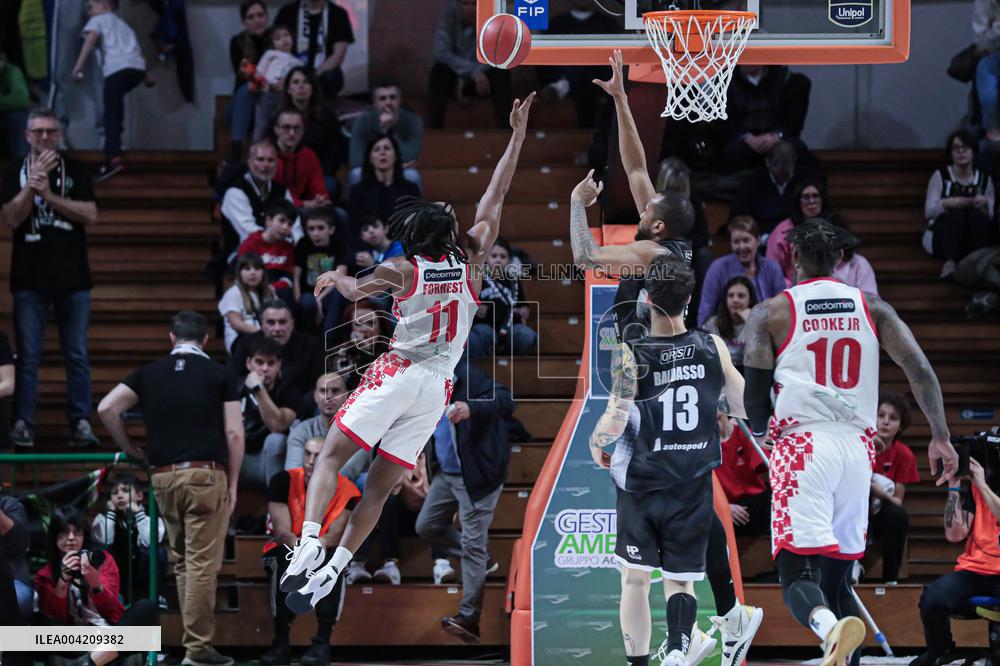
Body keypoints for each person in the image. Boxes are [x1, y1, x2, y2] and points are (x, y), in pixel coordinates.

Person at [280, 93, 534, 613]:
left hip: (399, 371)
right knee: (378, 489)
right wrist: (516, 137)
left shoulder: (404, 270)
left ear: (411, 239)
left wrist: (337, 276)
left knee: (329, 455)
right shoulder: (474, 261)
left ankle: (308, 545)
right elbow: (498, 193)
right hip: (437, 388)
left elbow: (354, 293)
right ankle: (333, 571)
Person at [586, 57, 762, 666]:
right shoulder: (674, 238)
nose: (642, 197)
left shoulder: (651, 249)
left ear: (656, 221)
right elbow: (635, 165)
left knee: (654, 479)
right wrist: (621, 102)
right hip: (686, 350)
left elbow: (587, 252)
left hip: (646, 351)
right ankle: (732, 614)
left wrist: (580, 208)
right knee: (689, 498)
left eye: (648, 203)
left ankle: (702, 629)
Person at [741, 219, 957, 665]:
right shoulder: (873, 306)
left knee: (797, 575)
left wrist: (762, 424)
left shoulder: (771, 312)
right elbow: (919, 369)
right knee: (839, 584)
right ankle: (841, 638)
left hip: (804, 448)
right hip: (859, 452)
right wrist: (940, 436)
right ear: (841, 259)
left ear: (794, 257)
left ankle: (824, 625)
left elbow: (755, 401)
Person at [588, 255, 752, 666]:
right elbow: (743, 403)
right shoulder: (712, 345)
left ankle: (642, 662)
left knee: (636, 580)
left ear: (646, 299)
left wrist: (596, 441)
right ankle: (678, 649)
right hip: (691, 480)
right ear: (690, 298)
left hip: (642, 482)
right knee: (681, 579)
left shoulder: (631, 353)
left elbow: (616, 417)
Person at [97, 310, 244, 666]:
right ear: (206, 341)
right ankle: (197, 650)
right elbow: (235, 433)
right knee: (201, 565)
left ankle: (193, 646)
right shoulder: (220, 374)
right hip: (205, 475)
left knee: (182, 563)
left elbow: (106, 408)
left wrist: (131, 449)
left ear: (172, 339)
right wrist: (235, 481)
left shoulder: (149, 373)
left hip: (162, 476)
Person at [1, 108, 99, 450]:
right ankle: (24, 423)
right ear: (27, 135)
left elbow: (90, 214)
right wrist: (31, 187)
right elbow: (11, 218)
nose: (44, 137)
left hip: (73, 278)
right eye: (37, 132)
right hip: (29, 278)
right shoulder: (15, 171)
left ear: (58, 134)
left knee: (77, 353)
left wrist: (50, 196)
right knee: (27, 356)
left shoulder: (76, 169)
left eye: (50, 132)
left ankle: (81, 423)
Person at [415, 354, 516, 643]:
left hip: (478, 475)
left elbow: (508, 400)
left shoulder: (467, 376)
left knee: (473, 543)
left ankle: (470, 618)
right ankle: (480, 560)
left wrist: (470, 408)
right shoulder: (420, 386)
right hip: (446, 473)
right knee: (426, 526)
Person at [260, 435, 361, 666]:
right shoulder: (282, 480)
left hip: (323, 549)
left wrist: (317, 550)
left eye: (317, 455)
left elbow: (336, 533)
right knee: (285, 563)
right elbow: (281, 532)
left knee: (333, 564)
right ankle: (281, 641)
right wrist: (304, 551)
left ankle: (322, 642)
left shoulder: (348, 489)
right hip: (285, 549)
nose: (310, 460)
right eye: (307, 454)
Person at [35, 506, 160, 666]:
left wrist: (95, 583)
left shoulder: (103, 560)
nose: (71, 538)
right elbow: (54, 618)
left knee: (146, 607)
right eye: (64, 532)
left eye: (77, 532)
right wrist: (62, 581)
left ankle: (88, 662)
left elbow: (113, 613)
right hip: (72, 640)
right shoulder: (44, 574)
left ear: (84, 535)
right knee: (37, 623)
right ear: (54, 537)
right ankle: (109, 658)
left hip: (107, 634)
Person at [910, 445, 1000, 666]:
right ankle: (940, 650)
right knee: (932, 599)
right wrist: (953, 488)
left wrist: (980, 483)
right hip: (974, 569)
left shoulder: (981, 486)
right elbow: (954, 534)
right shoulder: (978, 489)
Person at [70, 0, 148, 181]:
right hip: (136, 70)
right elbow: (138, 52)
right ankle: (116, 141)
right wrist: (146, 78)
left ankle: (112, 158)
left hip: (116, 69)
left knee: (110, 112)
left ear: (105, 5)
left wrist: (78, 67)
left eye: (91, 7)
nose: (89, 12)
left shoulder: (99, 20)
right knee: (116, 106)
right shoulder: (124, 26)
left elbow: (90, 41)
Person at [428, 0, 514, 129]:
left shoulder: (494, 17)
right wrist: (471, 73)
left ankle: (506, 131)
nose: (470, 9)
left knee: (501, 72)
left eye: (474, 4)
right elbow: (440, 53)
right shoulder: (449, 16)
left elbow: (499, 53)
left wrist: (478, 73)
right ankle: (435, 129)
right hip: (456, 77)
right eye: (465, 4)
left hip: (483, 80)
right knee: (438, 72)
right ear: (458, 5)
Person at [923, 129, 995, 279]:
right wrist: (947, 203)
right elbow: (928, 212)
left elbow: (991, 213)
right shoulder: (940, 176)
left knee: (977, 218)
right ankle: (950, 263)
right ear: (951, 152)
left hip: (972, 236)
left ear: (973, 151)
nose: (961, 152)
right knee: (955, 216)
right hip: (943, 237)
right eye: (956, 148)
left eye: (965, 148)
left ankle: (977, 267)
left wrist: (984, 203)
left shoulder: (983, 179)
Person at [237, 333, 302, 490]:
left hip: (267, 461)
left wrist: (259, 390)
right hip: (238, 459)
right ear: (248, 363)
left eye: (271, 363)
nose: (265, 369)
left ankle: (274, 505)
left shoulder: (289, 391)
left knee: (275, 440)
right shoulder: (234, 388)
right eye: (259, 362)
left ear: (278, 365)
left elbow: (278, 426)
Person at [90, 472, 167, 603]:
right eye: (114, 493)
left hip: (141, 570)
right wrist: (111, 514)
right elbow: (105, 541)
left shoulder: (151, 517)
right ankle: (110, 595)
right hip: (119, 571)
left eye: (125, 491)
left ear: (139, 495)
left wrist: (139, 514)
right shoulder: (104, 518)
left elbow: (150, 542)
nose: (119, 495)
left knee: (157, 552)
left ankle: (157, 597)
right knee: (102, 551)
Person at [537, 0, 615, 128]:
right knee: (583, 79)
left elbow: (614, 59)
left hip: (600, 81)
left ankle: (563, 85)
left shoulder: (607, 23)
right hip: (566, 79)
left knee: (587, 67)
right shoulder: (557, 24)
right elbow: (544, 61)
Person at [868, 391, 919, 584]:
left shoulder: (904, 455)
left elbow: (897, 500)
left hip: (880, 510)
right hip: (856, 509)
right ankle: (852, 564)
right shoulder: (860, 445)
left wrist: (878, 492)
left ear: (901, 426)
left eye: (893, 418)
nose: (885, 422)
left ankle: (891, 578)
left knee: (897, 515)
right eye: (881, 416)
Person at [721, 65, 812, 173]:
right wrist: (747, 137)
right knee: (733, 152)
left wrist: (776, 135)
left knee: (789, 150)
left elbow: (792, 121)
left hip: (776, 136)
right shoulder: (727, 80)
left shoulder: (783, 77)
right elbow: (727, 122)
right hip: (744, 138)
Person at [697, 216, 785, 327]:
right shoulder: (718, 268)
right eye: (736, 242)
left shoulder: (772, 268)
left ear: (757, 241)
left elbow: (783, 311)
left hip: (765, 333)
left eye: (746, 240)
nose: (741, 247)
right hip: (727, 335)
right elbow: (705, 313)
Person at [229, 299, 324, 398]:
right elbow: (236, 381)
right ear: (261, 324)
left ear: (291, 324)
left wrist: (296, 408)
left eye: (282, 322)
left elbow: (317, 386)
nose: (277, 328)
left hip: (301, 406)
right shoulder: (246, 344)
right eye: (271, 322)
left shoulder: (312, 345)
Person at [219, 141, 296, 254]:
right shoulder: (235, 192)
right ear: (249, 163)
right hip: (242, 260)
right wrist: (283, 236)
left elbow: (295, 227)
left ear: (276, 164)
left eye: (270, 160)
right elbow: (249, 233)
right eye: (260, 159)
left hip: (280, 254)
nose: (265, 165)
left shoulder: (282, 191)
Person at [467, 238, 537, 360]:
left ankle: (512, 364)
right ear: (486, 259)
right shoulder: (478, 279)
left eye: (503, 257)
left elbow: (523, 305)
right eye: (494, 256)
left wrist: (524, 310)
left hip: (511, 327)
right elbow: (467, 303)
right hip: (486, 326)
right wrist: (475, 308)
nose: (498, 260)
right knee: (478, 334)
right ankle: (485, 365)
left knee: (527, 335)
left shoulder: (513, 280)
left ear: (509, 261)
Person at [282, 66, 347, 192]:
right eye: (296, 82)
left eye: (306, 82)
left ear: (313, 88)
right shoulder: (279, 118)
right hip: (287, 175)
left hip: (318, 174)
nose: (301, 86)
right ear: (289, 89)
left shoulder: (326, 116)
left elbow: (334, 152)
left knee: (329, 185)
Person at [349, 79, 423, 188]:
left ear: (399, 100)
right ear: (374, 103)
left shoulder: (414, 120)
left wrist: (388, 131)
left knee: (412, 176)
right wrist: (390, 168)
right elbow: (355, 160)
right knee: (356, 174)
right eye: (382, 98)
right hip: (382, 169)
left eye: (393, 97)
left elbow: (410, 157)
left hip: (398, 171)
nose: (388, 102)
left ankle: (412, 206)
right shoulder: (362, 121)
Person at [274, 0, 354, 100]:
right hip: (291, 70)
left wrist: (311, 77)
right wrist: (289, 75)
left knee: (331, 76)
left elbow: (338, 54)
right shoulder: (287, 11)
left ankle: (323, 111)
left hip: (322, 73)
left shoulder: (338, 13)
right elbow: (276, 47)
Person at [223, 0, 269, 171]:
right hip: (247, 99)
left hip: (270, 98)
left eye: (260, 15)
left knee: (247, 91)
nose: (256, 20)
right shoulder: (238, 42)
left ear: (266, 16)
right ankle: (236, 147)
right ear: (244, 22)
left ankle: (236, 148)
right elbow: (243, 74)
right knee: (245, 92)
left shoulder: (276, 38)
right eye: (251, 17)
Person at [348, 133, 421, 236]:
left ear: (395, 156)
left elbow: (416, 225)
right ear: (370, 158)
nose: (382, 152)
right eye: (377, 149)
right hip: (368, 247)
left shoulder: (410, 189)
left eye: (387, 148)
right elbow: (353, 228)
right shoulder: (357, 191)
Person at [716, 411, 771, 538]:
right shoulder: (703, 444)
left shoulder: (742, 431)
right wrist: (725, 507)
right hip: (724, 510)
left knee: (775, 496)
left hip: (755, 508)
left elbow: (768, 469)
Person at [294, 207, 349, 333]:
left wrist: (319, 299)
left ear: (331, 229)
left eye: (320, 228)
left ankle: (328, 339)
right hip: (308, 293)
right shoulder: (303, 244)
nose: (315, 233)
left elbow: (340, 276)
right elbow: (296, 276)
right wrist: (297, 297)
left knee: (338, 294)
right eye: (311, 229)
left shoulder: (339, 244)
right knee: (306, 301)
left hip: (329, 292)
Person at [766, 179, 829, 288]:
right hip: (793, 290)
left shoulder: (833, 226)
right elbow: (772, 269)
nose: (811, 201)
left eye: (815, 196)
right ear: (798, 201)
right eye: (806, 197)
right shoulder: (783, 231)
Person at [730, 141, 803, 235]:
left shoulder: (803, 181)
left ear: (794, 162)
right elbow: (739, 217)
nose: (783, 178)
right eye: (779, 175)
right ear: (767, 163)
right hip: (762, 237)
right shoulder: (751, 183)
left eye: (786, 175)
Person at [285, 373, 350, 470]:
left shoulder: (358, 432)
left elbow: (348, 472)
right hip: (307, 482)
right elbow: (294, 472)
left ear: (347, 396)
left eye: (335, 391)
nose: (329, 397)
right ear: (315, 396)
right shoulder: (301, 430)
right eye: (323, 391)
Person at [238, 199, 297, 303]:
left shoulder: (289, 248)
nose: (285, 227)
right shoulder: (251, 242)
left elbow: (288, 278)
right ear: (268, 220)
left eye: (290, 224)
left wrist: (272, 287)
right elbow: (242, 271)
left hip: (279, 291)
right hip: (254, 287)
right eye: (282, 221)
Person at [250, 25, 302, 144]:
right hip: (266, 94)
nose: (284, 39)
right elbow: (259, 71)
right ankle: (255, 153)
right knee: (261, 127)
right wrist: (262, 83)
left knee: (280, 126)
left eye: (286, 35)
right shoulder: (271, 54)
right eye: (278, 38)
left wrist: (286, 84)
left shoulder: (298, 62)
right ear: (272, 44)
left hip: (284, 97)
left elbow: (297, 80)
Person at [272, 108, 331, 210]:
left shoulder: (308, 155)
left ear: (303, 131)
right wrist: (303, 204)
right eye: (286, 127)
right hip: (276, 209)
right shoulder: (266, 156)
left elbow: (320, 190)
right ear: (276, 130)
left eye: (297, 128)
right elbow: (272, 197)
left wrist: (321, 200)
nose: (292, 133)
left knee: (339, 214)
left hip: (303, 207)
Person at [219, 252, 275, 354]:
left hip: (266, 336)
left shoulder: (269, 292)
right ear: (239, 272)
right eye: (247, 269)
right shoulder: (233, 293)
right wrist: (262, 333)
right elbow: (235, 323)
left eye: (257, 269)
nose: (253, 273)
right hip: (241, 338)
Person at [702, 275, 757, 371]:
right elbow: (704, 356)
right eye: (731, 295)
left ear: (750, 299)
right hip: (721, 373)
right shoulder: (712, 324)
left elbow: (760, 357)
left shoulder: (758, 322)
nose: (735, 300)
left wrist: (751, 323)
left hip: (749, 372)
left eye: (741, 296)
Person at [0, 53, 30, 159]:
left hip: (7, 118)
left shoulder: (12, 72)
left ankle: (21, 164)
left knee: (19, 116)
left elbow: (21, 100)